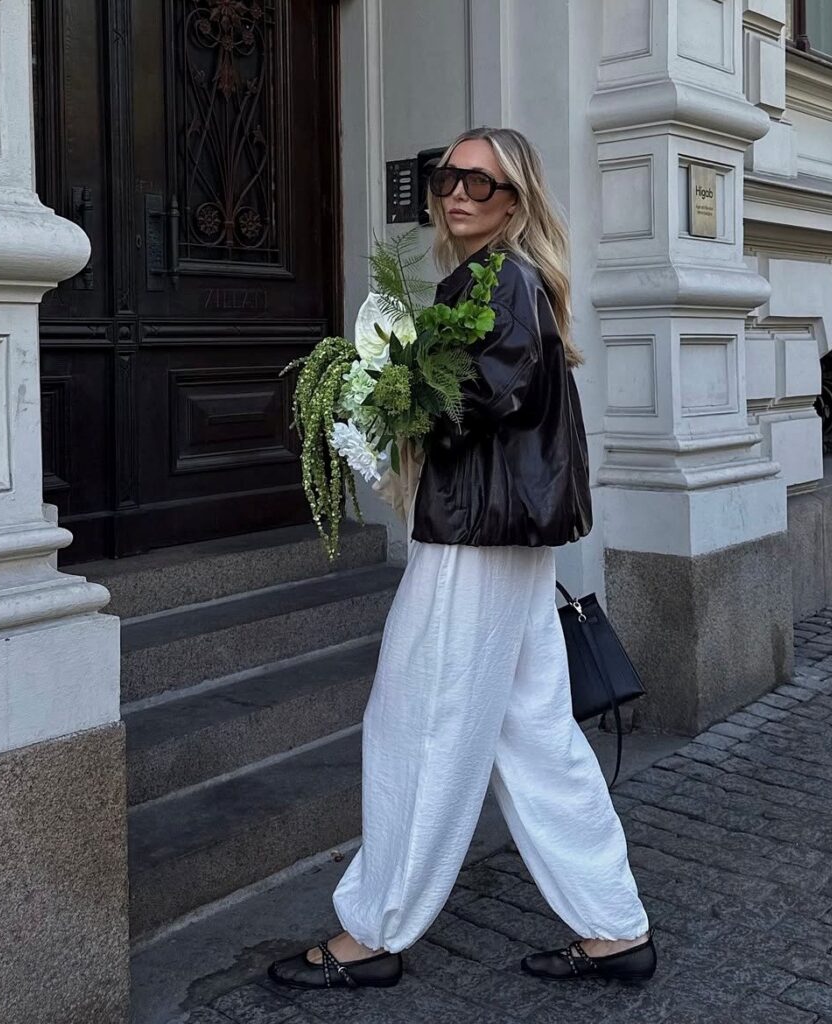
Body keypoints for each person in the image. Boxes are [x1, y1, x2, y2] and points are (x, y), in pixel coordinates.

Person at [267, 126, 656, 991]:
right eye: (450, 177)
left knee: (418, 724)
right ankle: (613, 928)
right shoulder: (495, 281)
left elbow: (483, 396)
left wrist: (383, 395)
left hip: (476, 541)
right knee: (532, 736)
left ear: (515, 201)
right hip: (503, 541)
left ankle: (374, 932)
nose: (459, 195)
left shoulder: (501, 280)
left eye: (482, 184)